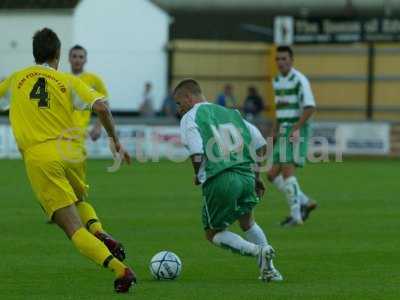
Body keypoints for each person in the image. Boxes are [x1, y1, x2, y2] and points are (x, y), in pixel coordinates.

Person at [0, 28, 136, 293]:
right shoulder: (68, 81)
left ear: (34, 53)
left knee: (72, 228)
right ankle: (98, 230)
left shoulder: (15, 80)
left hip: (40, 158)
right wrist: (115, 140)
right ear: (58, 54)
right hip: (70, 152)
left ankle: (121, 271)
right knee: (79, 202)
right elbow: (102, 107)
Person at [174, 78, 282, 282]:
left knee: (212, 233)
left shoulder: (191, 117)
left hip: (221, 178)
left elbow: (197, 151)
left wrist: (198, 174)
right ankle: (269, 270)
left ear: (188, 97)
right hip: (246, 176)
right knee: (248, 222)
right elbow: (259, 142)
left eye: (179, 103)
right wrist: (257, 177)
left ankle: (256, 251)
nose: (179, 109)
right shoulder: (231, 113)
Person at [268, 45, 317, 227]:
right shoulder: (277, 81)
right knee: (272, 174)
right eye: (278, 59)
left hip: (297, 129)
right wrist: (274, 132)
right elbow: (280, 111)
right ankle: (305, 202)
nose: (281, 62)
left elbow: (310, 107)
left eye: (284, 58)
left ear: (291, 60)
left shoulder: (299, 80)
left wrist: (296, 128)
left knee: (288, 173)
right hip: (283, 129)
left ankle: (296, 216)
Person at [69, 44, 108, 141]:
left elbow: (105, 104)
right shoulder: (62, 79)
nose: (77, 60)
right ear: (69, 59)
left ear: (85, 60)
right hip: (60, 131)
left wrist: (98, 126)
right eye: (74, 56)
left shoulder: (94, 80)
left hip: (80, 132)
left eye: (81, 57)